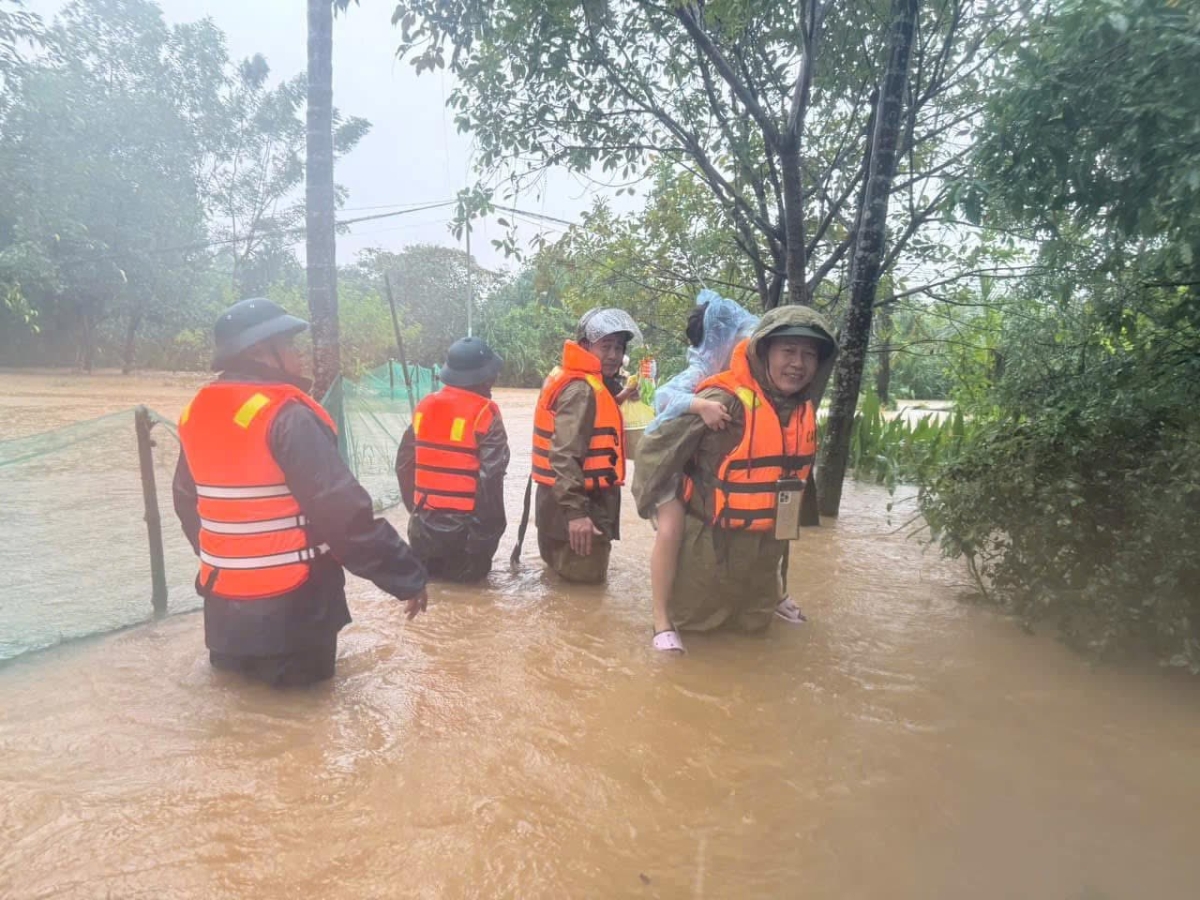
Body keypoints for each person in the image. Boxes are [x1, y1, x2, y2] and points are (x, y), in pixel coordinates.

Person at [173, 298, 429, 688]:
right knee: (305, 724)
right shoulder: (286, 416)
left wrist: (233, 566)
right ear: (261, 351)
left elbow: (186, 503)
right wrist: (406, 576)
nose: (297, 355)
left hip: (223, 613)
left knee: (242, 724)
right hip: (292, 615)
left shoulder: (198, 411)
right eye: (289, 345)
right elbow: (343, 514)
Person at [632, 305, 838, 644]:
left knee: (755, 638)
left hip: (764, 553)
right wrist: (657, 503)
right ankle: (662, 623)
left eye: (808, 355)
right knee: (699, 638)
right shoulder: (722, 399)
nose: (798, 363)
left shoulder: (801, 410)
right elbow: (654, 449)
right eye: (788, 351)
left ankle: (777, 598)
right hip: (711, 548)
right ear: (764, 352)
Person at [643, 291, 757, 652]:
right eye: (739, 337)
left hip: (704, 470)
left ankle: (769, 596)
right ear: (721, 338)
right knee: (672, 528)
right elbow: (661, 396)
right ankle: (661, 620)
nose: (745, 344)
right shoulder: (700, 371)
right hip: (668, 466)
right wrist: (699, 404)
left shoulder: (743, 375)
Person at [531, 307, 643, 583]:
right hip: (580, 510)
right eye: (605, 346)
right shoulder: (581, 390)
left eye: (618, 347)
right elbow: (564, 455)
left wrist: (624, 394)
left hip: (557, 507)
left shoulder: (579, 380)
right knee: (584, 593)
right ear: (584, 346)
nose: (614, 355)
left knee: (562, 589)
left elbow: (589, 425)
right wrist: (577, 514)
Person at [395, 337, 509, 582]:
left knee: (433, 599)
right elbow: (491, 481)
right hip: (465, 534)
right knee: (472, 607)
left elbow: (403, 465)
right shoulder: (485, 414)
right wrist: (485, 539)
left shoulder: (424, 406)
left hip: (422, 529)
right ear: (484, 377)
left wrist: (417, 512)